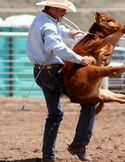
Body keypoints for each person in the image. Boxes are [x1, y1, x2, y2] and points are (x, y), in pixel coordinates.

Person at [26, 0, 96, 161]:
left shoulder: (41, 19)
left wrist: (67, 32)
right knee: (90, 102)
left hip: (40, 73)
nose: (65, 13)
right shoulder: (49, 25)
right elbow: (56, 47)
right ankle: (79, 145)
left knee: (54, 114)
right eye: (63, 10)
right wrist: (80, 59)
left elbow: (54, 30)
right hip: (53, 74)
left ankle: (48, 156)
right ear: (53, 8)